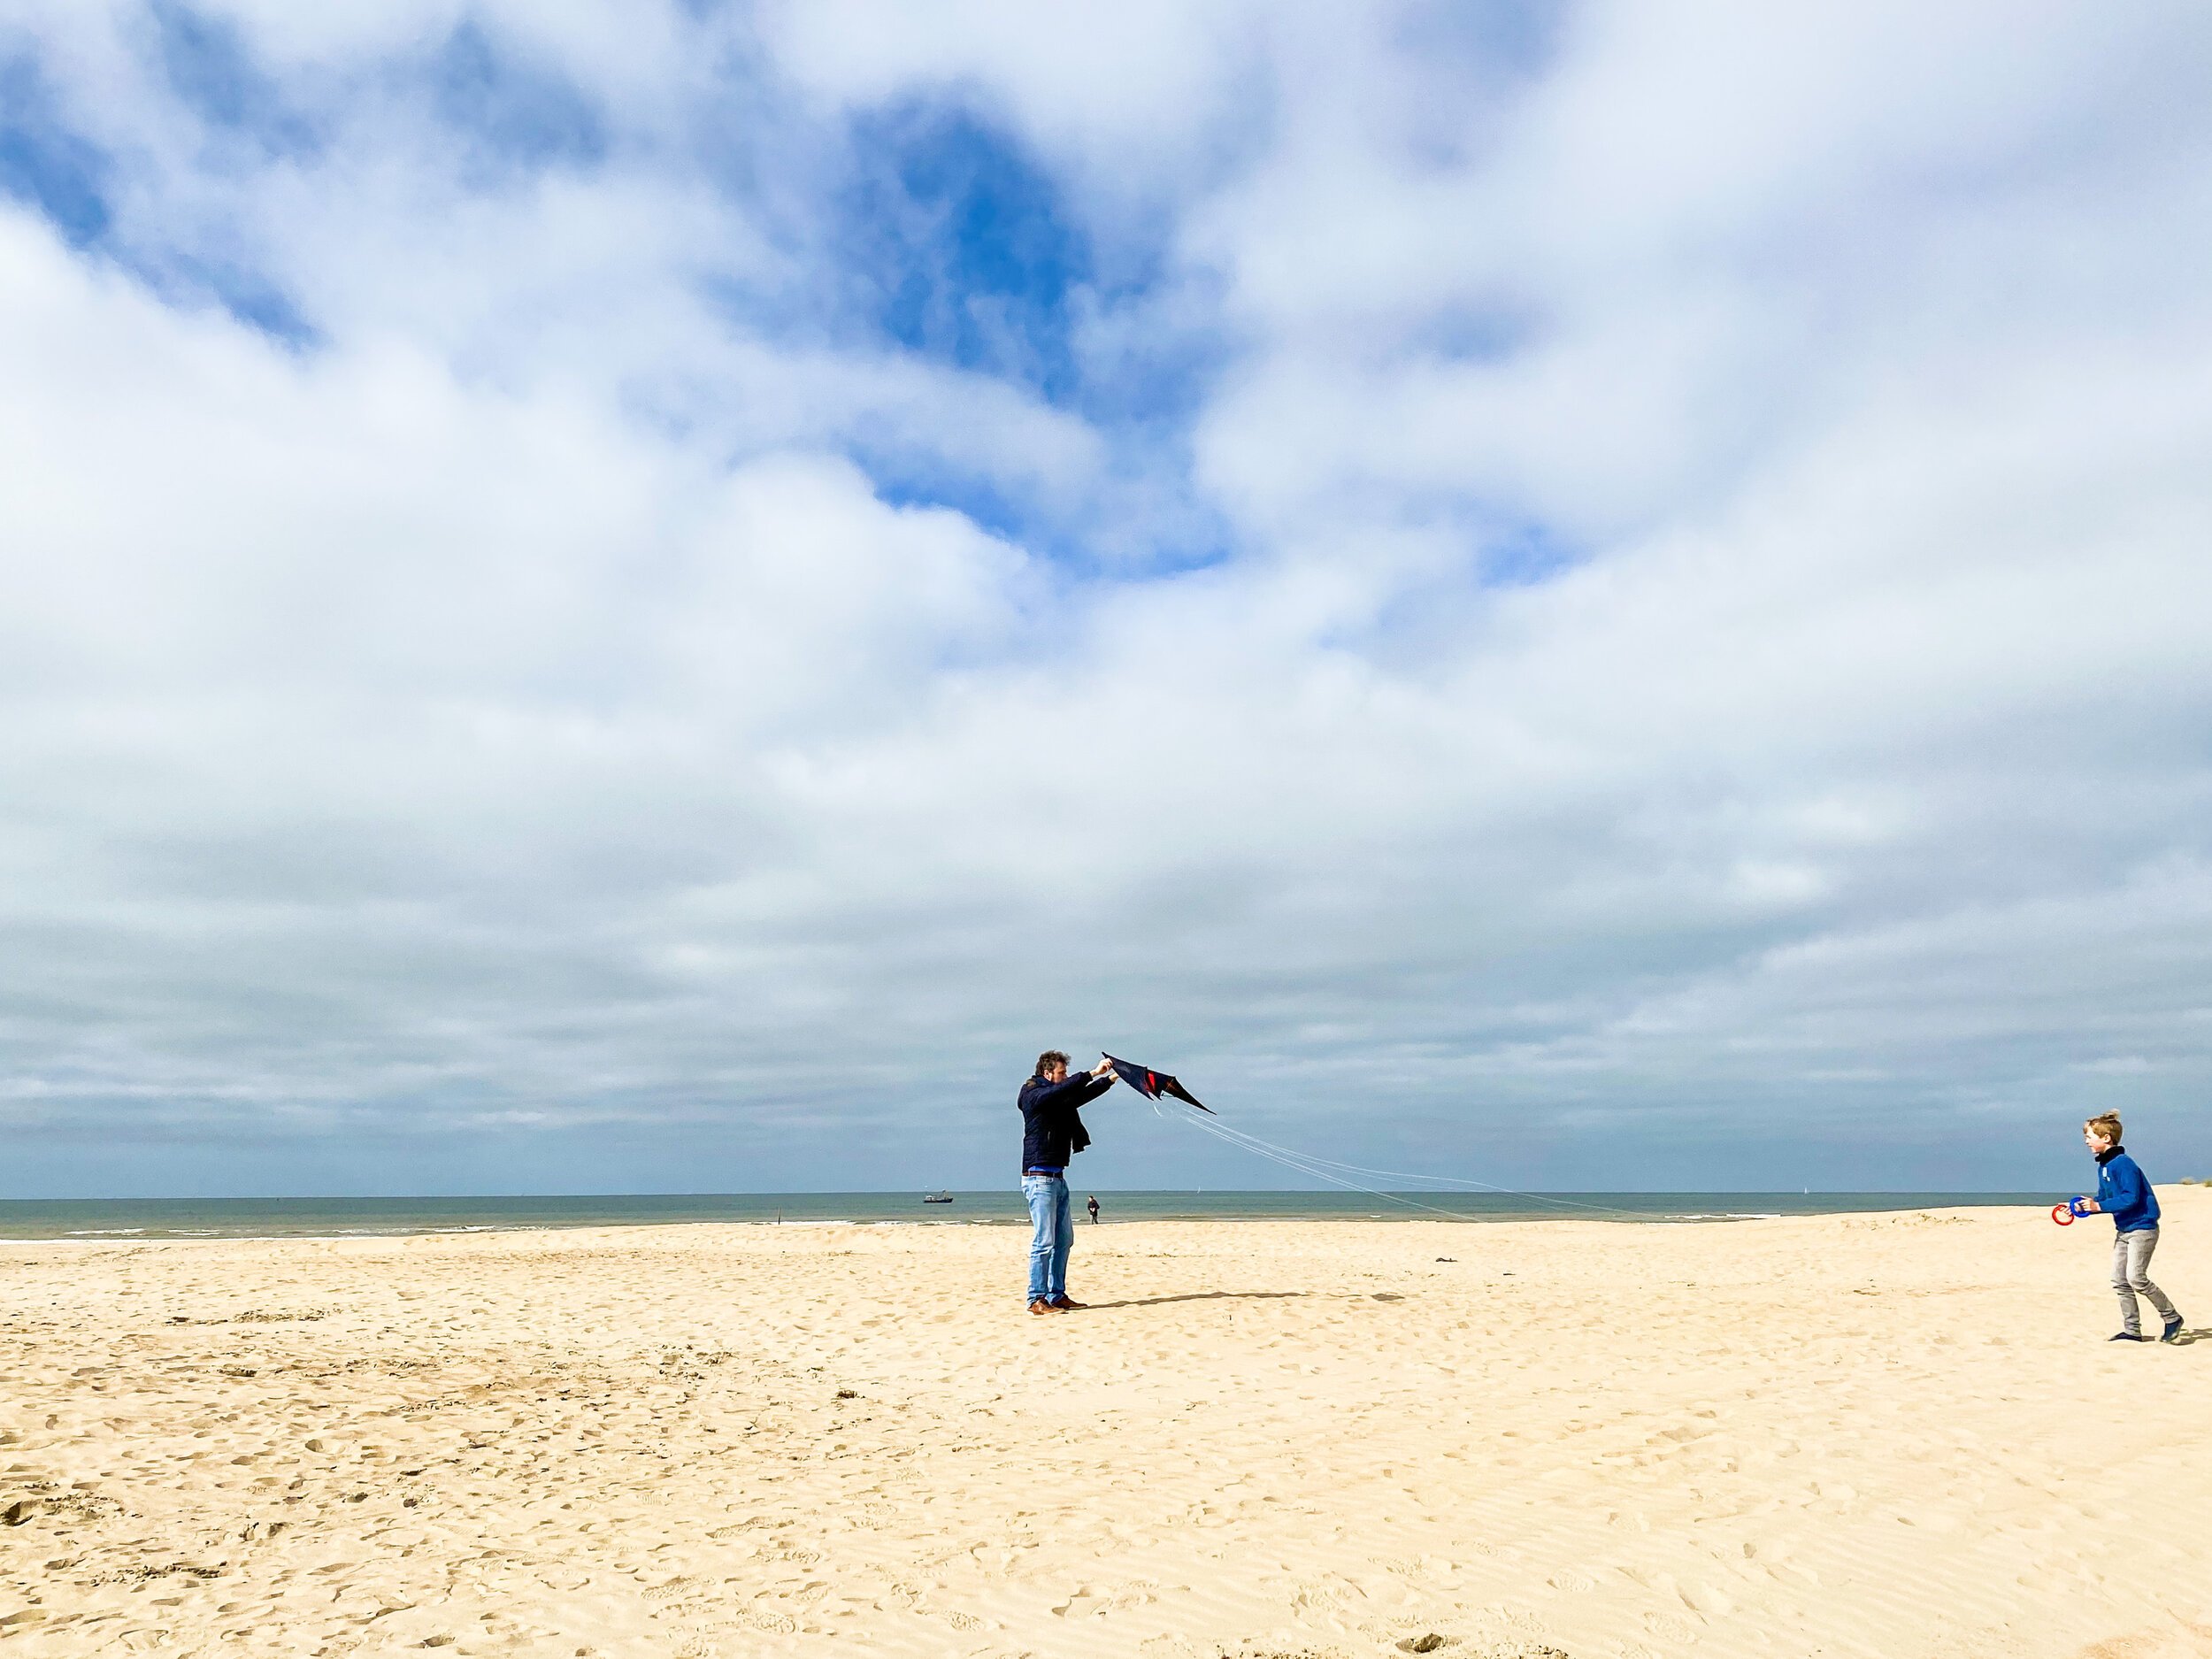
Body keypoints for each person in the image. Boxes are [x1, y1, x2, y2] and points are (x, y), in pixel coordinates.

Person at [1018, 1051, 1116, 1314]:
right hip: (1038, 1179)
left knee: (1064, 1240)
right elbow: (1058, 1093)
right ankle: (1036, 1299)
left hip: (1058, 1179)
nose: (1066, 1078)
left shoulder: (1057, 1098)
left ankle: (1056, 1294)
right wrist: (1093, 1073)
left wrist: (1112, 1078)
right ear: (1047, 1073)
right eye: (1062, 1074)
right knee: (1044, 1241)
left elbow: (1080, 1095)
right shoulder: (1031, 1094)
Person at [2077, 1112, 2182, 1343]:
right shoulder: (2104, 1166)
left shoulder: (2123, 1164)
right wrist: (2079, 1207)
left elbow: (2130, 1198)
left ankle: (2172, 1318)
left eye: (2089, 1136)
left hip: (2142, 1228)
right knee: (2119, 1279)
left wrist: (2098, 1206)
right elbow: (2104, 1198)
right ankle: (2132, 1330)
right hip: (2124, 1230)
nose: (2086, 1141)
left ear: (2106, 1138)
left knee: (2136, 1277)